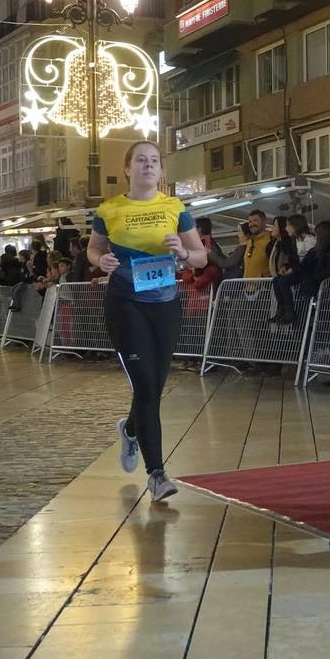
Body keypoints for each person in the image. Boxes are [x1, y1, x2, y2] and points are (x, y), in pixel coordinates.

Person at [88, 140, 206, 502]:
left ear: (162, 170)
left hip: (166, 303)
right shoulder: (110, 209)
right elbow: (93, 248)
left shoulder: (174, 207)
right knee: (146, 386)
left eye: (154, 160)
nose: (148, 165)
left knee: (152, 386)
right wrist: (101, 261)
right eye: (141, 160)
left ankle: (130, 429)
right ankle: (157, 474)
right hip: (126, 303)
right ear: (128, 169)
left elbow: (201, 257)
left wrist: (184, 252)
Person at [272, 214, 315, 325]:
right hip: (298, 271)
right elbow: (293, 259)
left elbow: (310, 259)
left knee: (283, 281)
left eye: (288, 225)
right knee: (276, 280)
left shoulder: (309, 239)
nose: (286, 229)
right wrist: (285, 267)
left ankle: (290, 310)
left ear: (295, 226)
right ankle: (282, 308)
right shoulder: (294, 241)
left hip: (307, 272)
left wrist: (293, 269)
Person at [242, 210, 274, 279]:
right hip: (247, 287)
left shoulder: (271, 240)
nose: (252, 224)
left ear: (264, 221)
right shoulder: (250, 241)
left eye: (255, 220)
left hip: (264, 287)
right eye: (250, 222)